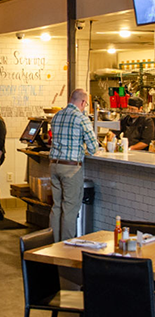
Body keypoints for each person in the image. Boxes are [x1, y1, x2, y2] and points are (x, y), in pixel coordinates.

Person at [49, 88, 98, 242]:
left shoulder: (57, 116)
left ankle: (52, 244)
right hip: (71, 168)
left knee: (56, 206)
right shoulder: (81, 118)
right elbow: (93, 147)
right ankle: (65, 247)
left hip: (54, 165)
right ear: (83, 102)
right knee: (69, 208)